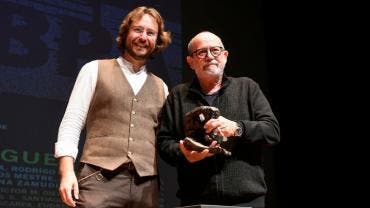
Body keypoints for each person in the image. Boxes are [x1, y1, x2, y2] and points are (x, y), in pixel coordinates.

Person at [54, 6, 171, 208]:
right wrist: (66, 172)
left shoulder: (162, 87)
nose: (143, 37)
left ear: (157, 41)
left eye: (150, 33)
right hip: (99, 179)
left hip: (146, 188)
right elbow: (72, 123)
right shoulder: (94, 69)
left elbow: (167, 138)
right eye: (138, 30)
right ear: (126, 33)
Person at [156, 31, 280, 208]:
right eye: (201, 52)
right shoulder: (177, 95)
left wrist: (237, 128)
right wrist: (183, 152)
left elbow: (272, 131)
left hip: (247, 200)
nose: (209, 57)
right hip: (196, 199)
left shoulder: (247, 88)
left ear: (225, 56)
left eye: (215, 50)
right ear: (190, 62)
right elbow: (164, 142)